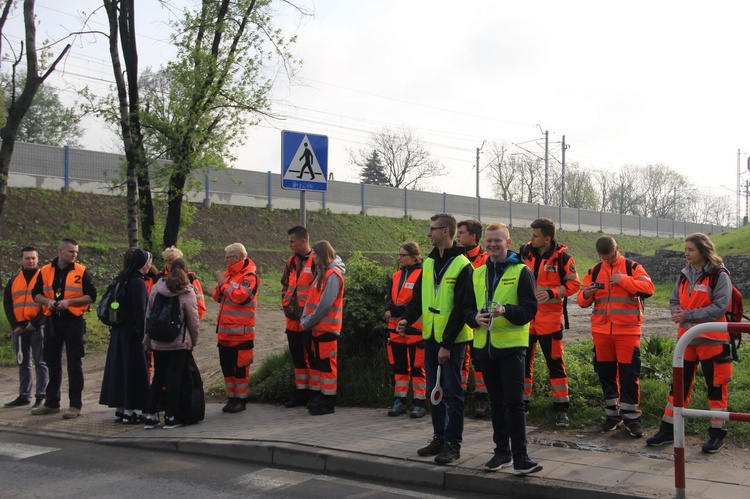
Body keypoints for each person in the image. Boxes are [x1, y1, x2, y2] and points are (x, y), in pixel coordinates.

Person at [462, 223, 541, 475]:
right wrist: (474, 318)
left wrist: (505, 310)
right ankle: (501, 453)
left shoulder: (521, 271)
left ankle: (521, 457)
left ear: (508, 242)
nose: (493, 245)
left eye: (498, 240)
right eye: (489, 241)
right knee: (496, 402)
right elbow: (465, 308)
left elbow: (530, 309)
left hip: (512, 348)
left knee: (514, 403)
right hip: (485, 348)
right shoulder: (476, 273)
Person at [646, 233, 733, 453]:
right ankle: (668, 430)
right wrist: (677, 313)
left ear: (703, 251)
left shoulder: (719, 275)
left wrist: (689, 315)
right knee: (678, 387)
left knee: (716, 389)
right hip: (686, 341)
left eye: (690, 250)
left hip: (713, 340)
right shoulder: (684, 275)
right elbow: (675, 300)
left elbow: (720, 307)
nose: (686, 253)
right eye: (685, 249)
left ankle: (717, 434)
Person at [398, 213, 473, 465]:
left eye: (433, 229)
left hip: (451, 343)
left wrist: (447, 344)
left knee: (453, 393)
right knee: (434, 392)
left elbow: (462, 309)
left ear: (446, 232)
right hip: (430, 338)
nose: (429, 233)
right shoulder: (429, 263)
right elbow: (419, 298)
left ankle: (453, 444)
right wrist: (407, 319)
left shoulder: (463, 265)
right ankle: (439, 437)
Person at [577, 236, 654, 438]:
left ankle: (632, 418)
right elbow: (581, 300)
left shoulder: (633, 267)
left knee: (629, 375)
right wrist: (587, 294)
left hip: (627, 331)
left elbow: (649, 289)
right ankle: (612, 416)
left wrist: (624, 280)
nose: (608, 261)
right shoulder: (594, 271)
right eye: (604, 258)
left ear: (617, 249)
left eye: (611, 257)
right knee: (606, 374)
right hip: (602, 332)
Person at [519, 218, 580, 427]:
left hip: (550, 321)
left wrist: (552, 292)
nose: (531, 239)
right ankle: (523, 404)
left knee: (555, 365)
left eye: (535, 236)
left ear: (547, 238)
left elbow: (574, 285)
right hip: (527, 319)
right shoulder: (524, 252)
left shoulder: (563, 258)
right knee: (523, 364)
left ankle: (561, 409)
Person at [31, 238, 96, 419]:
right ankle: (52, 402)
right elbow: (35, 294)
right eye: (71, 252)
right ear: (60, 251)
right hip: (53, 320)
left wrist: (69, 302)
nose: (74, 255)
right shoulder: (45, 271)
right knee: (52, 361)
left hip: (73, 320)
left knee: (74, 362)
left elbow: (91, 296)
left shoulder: (81, 271)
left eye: (76, 252)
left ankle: (75, 405)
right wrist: (49, 302)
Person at [142, 258, 201, 429]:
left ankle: (150, 416)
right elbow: (193, 320)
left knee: (158, 377)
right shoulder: (187, 291)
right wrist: (193, 341)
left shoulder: (157, 287)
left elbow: (149, 314)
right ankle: (171, 417)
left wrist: (148, 339)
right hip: (178, 342)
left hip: (158, 341)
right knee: (174, 379)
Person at [99, 248, 152, 423]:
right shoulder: (137, 283)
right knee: (133, 372)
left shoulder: (121, 279)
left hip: (118, 332)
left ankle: (120, 410)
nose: (150, 265)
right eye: (149, 261)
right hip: (133, 335)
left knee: (119, 370)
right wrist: (146, 336)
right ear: (142, 264)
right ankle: (130, 412)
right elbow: (141, 312)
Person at [212, 243, 260, 414]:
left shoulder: (249, 276)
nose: (225, 260)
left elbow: (242, 296)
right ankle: (231, 397)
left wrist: (224, 286)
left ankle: (241, 399)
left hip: (241, 334)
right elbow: (216, 295)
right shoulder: (229, 275)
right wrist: (222, 286)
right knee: (227, 368)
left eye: (228, 257)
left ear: (238, 257)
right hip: (225, 333)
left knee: (240, 369)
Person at [300, 241, 346, 416]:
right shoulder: (323, 273)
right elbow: (312, 301)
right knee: (321, 366)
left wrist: (308, 320)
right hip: (318, 328)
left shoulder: (332, 275)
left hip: (327, 328)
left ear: (321, 255)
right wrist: (308, 319)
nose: (313, 258)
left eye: (315, 255)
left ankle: (328, 402)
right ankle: (322, 398)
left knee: (327, 367)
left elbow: (325, 304)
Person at [385, 242, 426, 418]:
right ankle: (400, 401)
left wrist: (396, 311)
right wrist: (389, 308)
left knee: (418, 368)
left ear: (414, 257)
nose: (400, 258)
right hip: (394, 329)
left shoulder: (422, 275)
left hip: (415, 329)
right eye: (399, 255)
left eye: (403, 255)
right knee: (399, 367)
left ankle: (419, 403)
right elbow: (389, 298)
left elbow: (417, 303)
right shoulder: (395, 276)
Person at [3, 246, 47, 409]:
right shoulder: (14, 279)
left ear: (37, 259)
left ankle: (41, 395)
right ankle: (24, 395)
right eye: (27, 258)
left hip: (38, 327)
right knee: (23, 362)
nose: (31, 261)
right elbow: (7, 302)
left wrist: (35, 323)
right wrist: (15, 325)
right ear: (21, 260)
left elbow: (47, 303)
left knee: (41, 362)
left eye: (33, 258)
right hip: (19, 329)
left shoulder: (44, 277)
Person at [456, 219, 489, 418]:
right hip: (459, 316)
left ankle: (481, 397)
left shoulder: (485, 259)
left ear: (473, 236)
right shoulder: (456, 257)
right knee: (460, 360)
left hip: (478, 316)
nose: (457, 236)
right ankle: (459, 394)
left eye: (461, 233)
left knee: (479, 360)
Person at [280, 226, 316, 408]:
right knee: (298, 359)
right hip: (292, 318)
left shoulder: (316, 261)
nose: (290, 245)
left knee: (311, 357)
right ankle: (301, 393)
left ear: (303, 240)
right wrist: (285, 303)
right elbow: (285, 284)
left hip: (308, 320)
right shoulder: (291, 262)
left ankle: (313, 393)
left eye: (292, 241)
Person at [160, 246, 206, 319]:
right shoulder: (159, 277)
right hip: (162, 320)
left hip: (184, 320)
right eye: (167, 261)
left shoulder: (190, 277)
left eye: (173, 261)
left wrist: (192, 319)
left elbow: (199, 302)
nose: (170, 264)